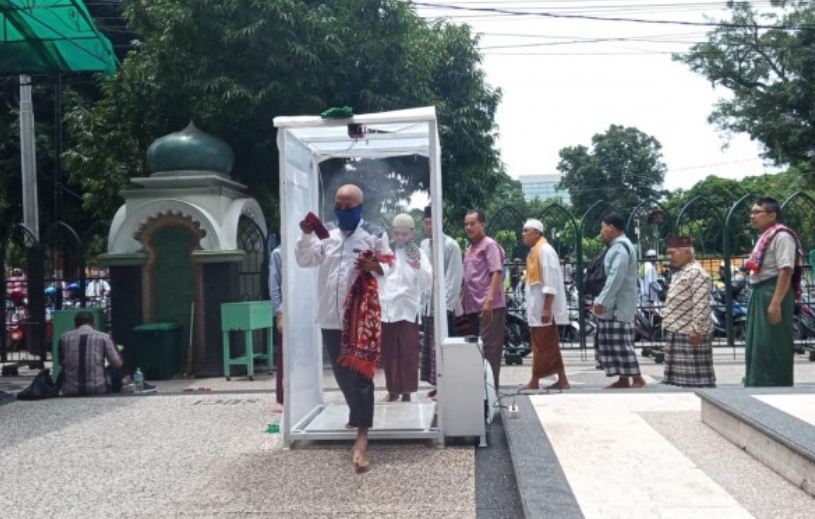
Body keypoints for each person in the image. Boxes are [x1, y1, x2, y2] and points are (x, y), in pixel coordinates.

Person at [296, 184, 392, 473]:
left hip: (360, 317)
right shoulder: (327, 233)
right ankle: (356, 412)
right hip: (330, 316)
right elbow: (305, 260)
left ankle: (362, 438)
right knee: (340, 373)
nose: (343, 211)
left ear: (361, 207)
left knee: (361, 375)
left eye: (349, 206)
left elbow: (390, 265)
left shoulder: (374, 233)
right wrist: (306, 234)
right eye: (339, 205)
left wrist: (372, 264)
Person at [744, 196, 801, 387]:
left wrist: (776, 302)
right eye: (751, 212)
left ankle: (775, 384)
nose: (752, 216)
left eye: (757, 212)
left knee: (772, 342)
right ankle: (755, 381)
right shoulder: (765, 236)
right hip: (761, 291)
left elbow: (786, 269)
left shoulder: (782, 236)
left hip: (773, 291)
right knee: (757, 341)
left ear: (772, 215)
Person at [380, 214, 432, 402]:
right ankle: (392, 390)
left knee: (408, 352)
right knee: (389, 352)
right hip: (387, 308)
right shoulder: (386, 251)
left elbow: (426, 282)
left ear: (411, 233)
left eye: (404, 234)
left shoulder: (417, 252)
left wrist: (418, 267)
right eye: (397, 234)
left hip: (408, 308)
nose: (401, 238)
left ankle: (408, 391)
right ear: (392, 233)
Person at [592, 212, 646, 389]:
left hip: (617, 306)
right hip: (616, 304)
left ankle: (637, 378)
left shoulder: (620, 248)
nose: (601, 231)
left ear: (611, 228)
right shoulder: (619, 246)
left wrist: (602, 301)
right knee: (614, 343)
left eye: (603, 227)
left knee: (621, 344)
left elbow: (616, 277)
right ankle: (624, 379)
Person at [419, 205, 463, 399]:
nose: (428, 226)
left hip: (443, 308)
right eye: (426, 222)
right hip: (428, 305)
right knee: (431, 349)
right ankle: (438, 385)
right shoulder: (423, 245)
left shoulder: (450, 245)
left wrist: (445, 308)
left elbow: (454, 278)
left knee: (444, 348)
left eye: (431, 222)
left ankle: (448, 387)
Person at [520, 219, 570, 390]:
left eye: (526, 231)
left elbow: (550, 281)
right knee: (547, 344)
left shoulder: (545, 250)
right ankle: (562, 379)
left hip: (544, 309)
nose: (523, 234)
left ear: (537, 233)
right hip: (538, 308)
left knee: (542, 345)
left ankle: (535, 379)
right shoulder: (535, 251)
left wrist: (547, 307)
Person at [661, 236, 716, 387]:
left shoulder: (696, 272)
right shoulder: (682, 271)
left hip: (690, 331)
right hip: (678, 329)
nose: (670, 257)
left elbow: (701, 303)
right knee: (679, 380)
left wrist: (696, 329)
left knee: (696, 379)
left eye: (672, 253)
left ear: (686, 253)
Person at [462, 209, 506, 391]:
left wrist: (489, 301)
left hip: (490, 307)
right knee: (476, 350)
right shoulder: (470, 248)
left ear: (482, 224)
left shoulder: (489, 245)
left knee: (490, 350)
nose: (469, 227)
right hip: (473, 307)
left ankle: (491, 390)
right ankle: (479, 392)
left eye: (473, 223)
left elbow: (496, 272)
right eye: (466, 224)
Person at [58, 311, 123, 395]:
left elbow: (61, 362)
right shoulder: (104, 337)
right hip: (98, 388)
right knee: (115, 371)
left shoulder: (64, 338)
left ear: (75, 324)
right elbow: (117, 364)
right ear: (92, 323)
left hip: (71, 389)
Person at [268, 245, 284, 413]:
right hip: (287, 311)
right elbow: (274, 285)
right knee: (284, 355)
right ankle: (281, 398)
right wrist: (279, 312)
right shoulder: (279, 253)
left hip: (308, 310)